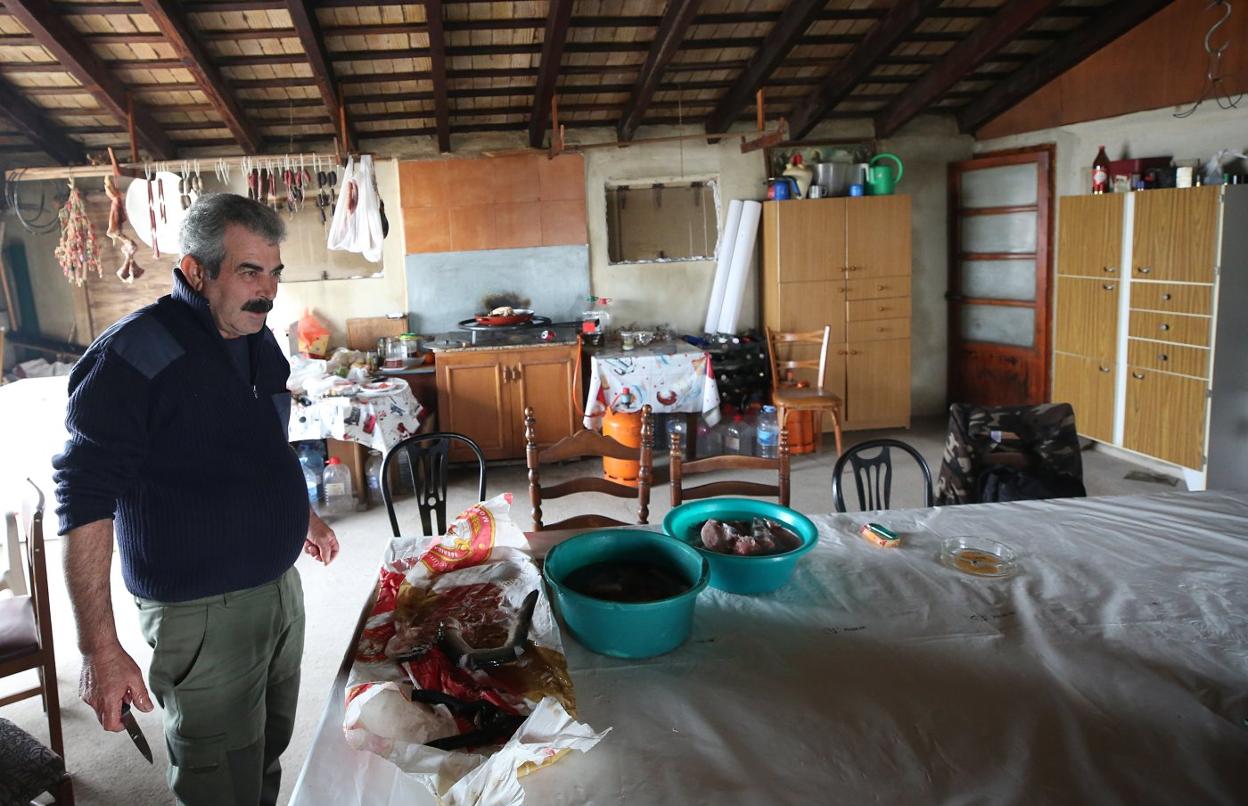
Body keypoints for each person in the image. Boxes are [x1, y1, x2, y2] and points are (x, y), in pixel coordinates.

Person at [53, 193, 339, 805]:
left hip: (277, 588)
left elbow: (262, 441)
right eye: (247, 272)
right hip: (201, 609)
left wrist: (302, 515)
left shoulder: (254, 334)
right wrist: (100, 647)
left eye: (273, 272)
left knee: (266, 747)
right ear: (194, 271)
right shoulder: (133, 355)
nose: (267, 291)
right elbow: (84, 502)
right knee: (215, 773)